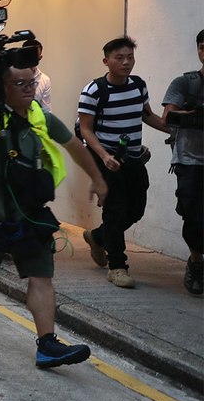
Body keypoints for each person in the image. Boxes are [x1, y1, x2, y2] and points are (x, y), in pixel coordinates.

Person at [0, 48, 107, 369]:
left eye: (31, 82)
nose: (29, 89)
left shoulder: (39, 116)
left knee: (41, 275)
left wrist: (97, 178)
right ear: (3, 88)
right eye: (19, 84)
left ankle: (47, 344)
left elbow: (74, 146)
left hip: (30, 213)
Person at [77, 36, 169, 288]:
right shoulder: (93, 90)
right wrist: (104, 156)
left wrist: (174, 129)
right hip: (108, 159)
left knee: (136, 209)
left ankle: (97, 236)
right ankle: (117, 267)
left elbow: (147, 116)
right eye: (120, 58)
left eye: (130, 57)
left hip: (134, 158)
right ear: (106, 61)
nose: (126, 62)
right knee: (116, 211)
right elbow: (85, 129)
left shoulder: (138, 85)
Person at [162, 30, 204, 294]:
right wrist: (196, 114)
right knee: (193, 215)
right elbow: (169, 118)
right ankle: (197, 263)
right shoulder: (185, 83)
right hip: (190, 160)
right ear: (200, 50)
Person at [22, 37, 52, 112]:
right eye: (28, 54)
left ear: (40, 57)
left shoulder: (44, 80)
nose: (30, 58)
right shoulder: (11, 75)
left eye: (34, 55)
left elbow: (46, 110)